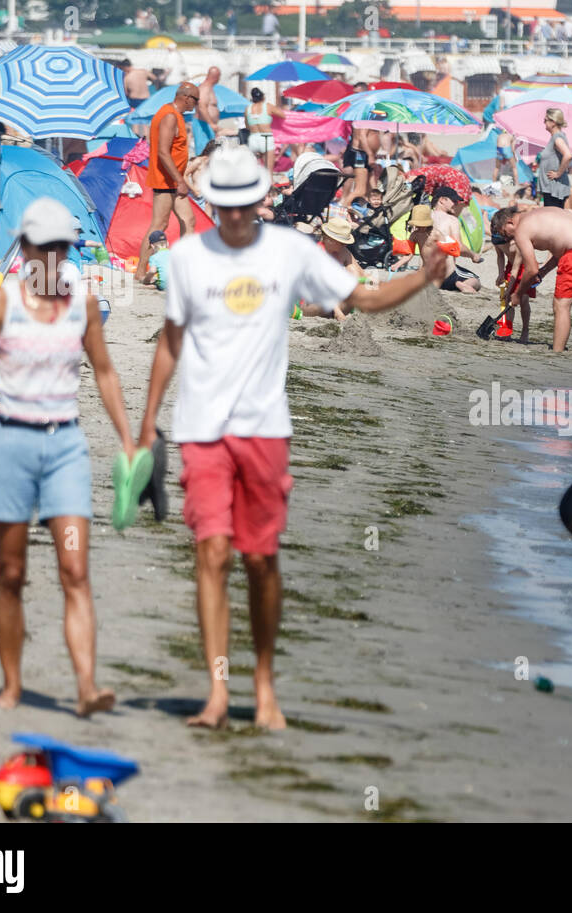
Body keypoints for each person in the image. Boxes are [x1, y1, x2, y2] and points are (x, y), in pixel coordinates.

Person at [136, 147, 449, 729]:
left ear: (259, 199)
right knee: (211, 552)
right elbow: (169, 341)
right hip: (202, 428)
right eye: (222, 206)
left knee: (259, 559)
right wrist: (144, 426)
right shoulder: (185, 259)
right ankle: (217, 692)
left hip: (265, 430)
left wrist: (420, 278)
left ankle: (264, 684)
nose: (232, 216)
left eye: (241, 205)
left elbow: (361, 299)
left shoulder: (289, 251)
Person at [0, 198, 136, 718]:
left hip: (65, 448)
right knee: (11, 573)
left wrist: (127, 435)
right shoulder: (3, 300)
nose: (56, 257)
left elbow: (103, 371)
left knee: (74, 570)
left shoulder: (82, 302)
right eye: (47, 247)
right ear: (27, 248)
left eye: (63, 248)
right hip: (11, 444)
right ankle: (11, 687)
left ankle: (86, 688)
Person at [491, 205, 572, 352]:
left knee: (561, 304)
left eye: (505, 234)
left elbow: (531, 269)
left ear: (509, 222)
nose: (508, 238)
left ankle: (557, 352)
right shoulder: (540, 215)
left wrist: (518, 294)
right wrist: (543, 272)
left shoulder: (521, 230)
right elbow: (559, 248)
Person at [135, 82, 198, 283]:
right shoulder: (169, 115)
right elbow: (163, 151)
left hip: (173, 181)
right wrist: (180, 180)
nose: (196, 104)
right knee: (159, 224)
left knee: (188, 220)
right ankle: (140, 270)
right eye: (195, 99)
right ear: (186, 97)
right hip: (165, 180)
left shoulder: (174, 115)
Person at [536, 108, 572, 208]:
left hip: (554, 188)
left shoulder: (557, 138)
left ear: (553, 122)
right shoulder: (556, 137)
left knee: (552, 218)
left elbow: (568, 155)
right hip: (552, 188)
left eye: (545, 120)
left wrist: (558, 173)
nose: (543, 122)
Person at [244, 87, 286, 173]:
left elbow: (247, 126)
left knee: (253, 171)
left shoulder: (247, 109)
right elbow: (283, 115)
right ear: (263, 97)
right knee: (268, 173)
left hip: (253, 138)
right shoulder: (268, 106)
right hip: (266, 137)